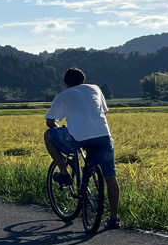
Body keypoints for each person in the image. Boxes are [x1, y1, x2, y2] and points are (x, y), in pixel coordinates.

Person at [44, 67, 120, 231]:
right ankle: (114, 218)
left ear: (65, 83)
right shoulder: (96, 89)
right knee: (110, 177)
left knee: (48, 135)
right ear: (83, 80)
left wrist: (60, 127)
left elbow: (50, 122)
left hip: (77, 137)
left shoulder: (63, 95)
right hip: (103, 136)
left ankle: (64, 173)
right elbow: (103, 111)